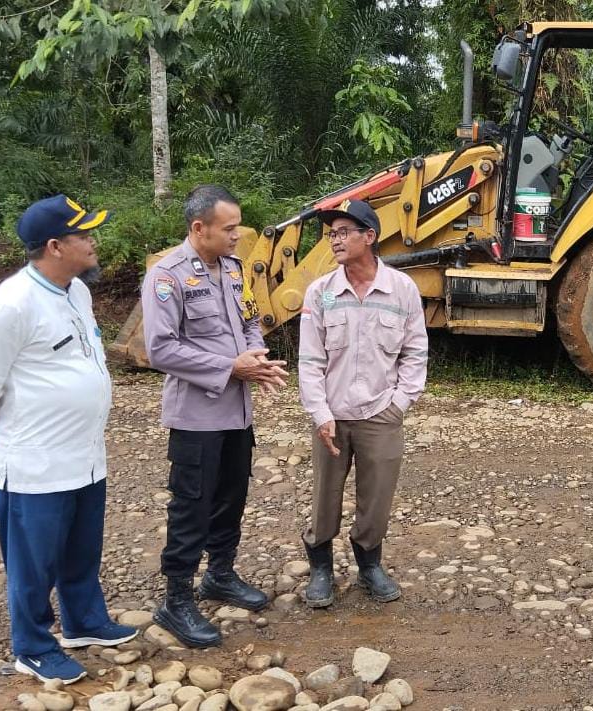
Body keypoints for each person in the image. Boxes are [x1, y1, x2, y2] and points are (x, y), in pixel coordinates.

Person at [0, 195, 137, 684]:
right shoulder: (10, 305)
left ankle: (84, 622)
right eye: (85, 235)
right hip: (35, 460)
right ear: (56, 246)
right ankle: (33, 645)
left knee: (82, 547)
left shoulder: (75, 290)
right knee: (32, 561)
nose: (94, 240)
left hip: (85, 454)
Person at [140, 184, 288, 647]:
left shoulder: (232, 268)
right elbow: (160, 348)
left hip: (236, 412)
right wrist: (230, 367)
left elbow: (248, 318)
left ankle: (220, 574)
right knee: (192, 505)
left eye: (238, 226)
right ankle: (177, 598)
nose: (238, 235)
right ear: (198, 227)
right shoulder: (166, 276)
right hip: (196, 416)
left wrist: (254, 355)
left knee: (231, 496)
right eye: (229, 228)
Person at [297, 199, 427, 607]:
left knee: (377, 499)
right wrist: (319, 413)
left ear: (368, 237)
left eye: (342, 232)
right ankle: (321, 569)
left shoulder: (402, 290)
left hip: (380, 415)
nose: (334, 240)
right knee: (324, 498)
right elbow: (310, 359)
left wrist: (400, 403)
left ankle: (370, 564)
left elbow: (415, 352)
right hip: (331, 417)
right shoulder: (320, 292)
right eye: (331, 233)